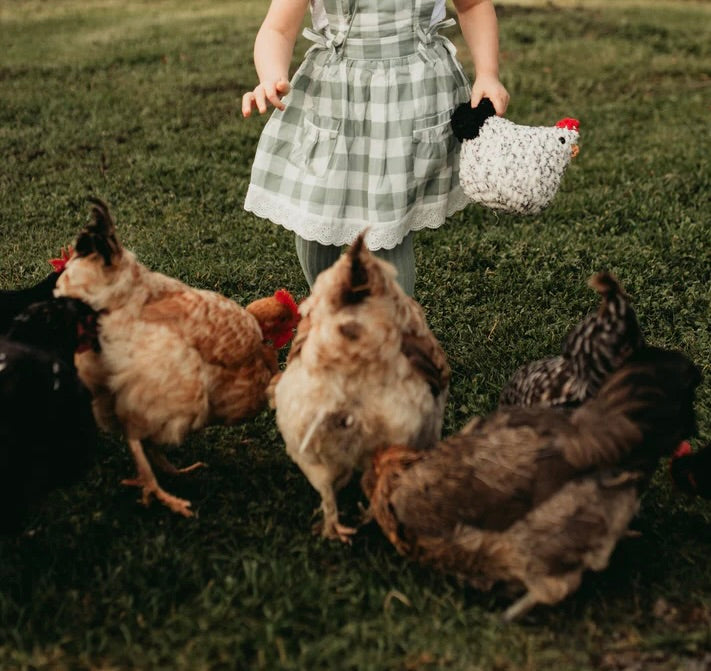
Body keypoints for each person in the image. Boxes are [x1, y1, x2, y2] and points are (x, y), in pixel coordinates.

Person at [242, 0, 509, 295]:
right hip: (335, 99)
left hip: (409, 100)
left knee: (390, 223)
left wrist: (488, 73)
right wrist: (270, 75)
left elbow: (473, 5)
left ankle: (392, 333)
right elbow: (278, 29)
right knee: (316, 208)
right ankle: (328, 307)